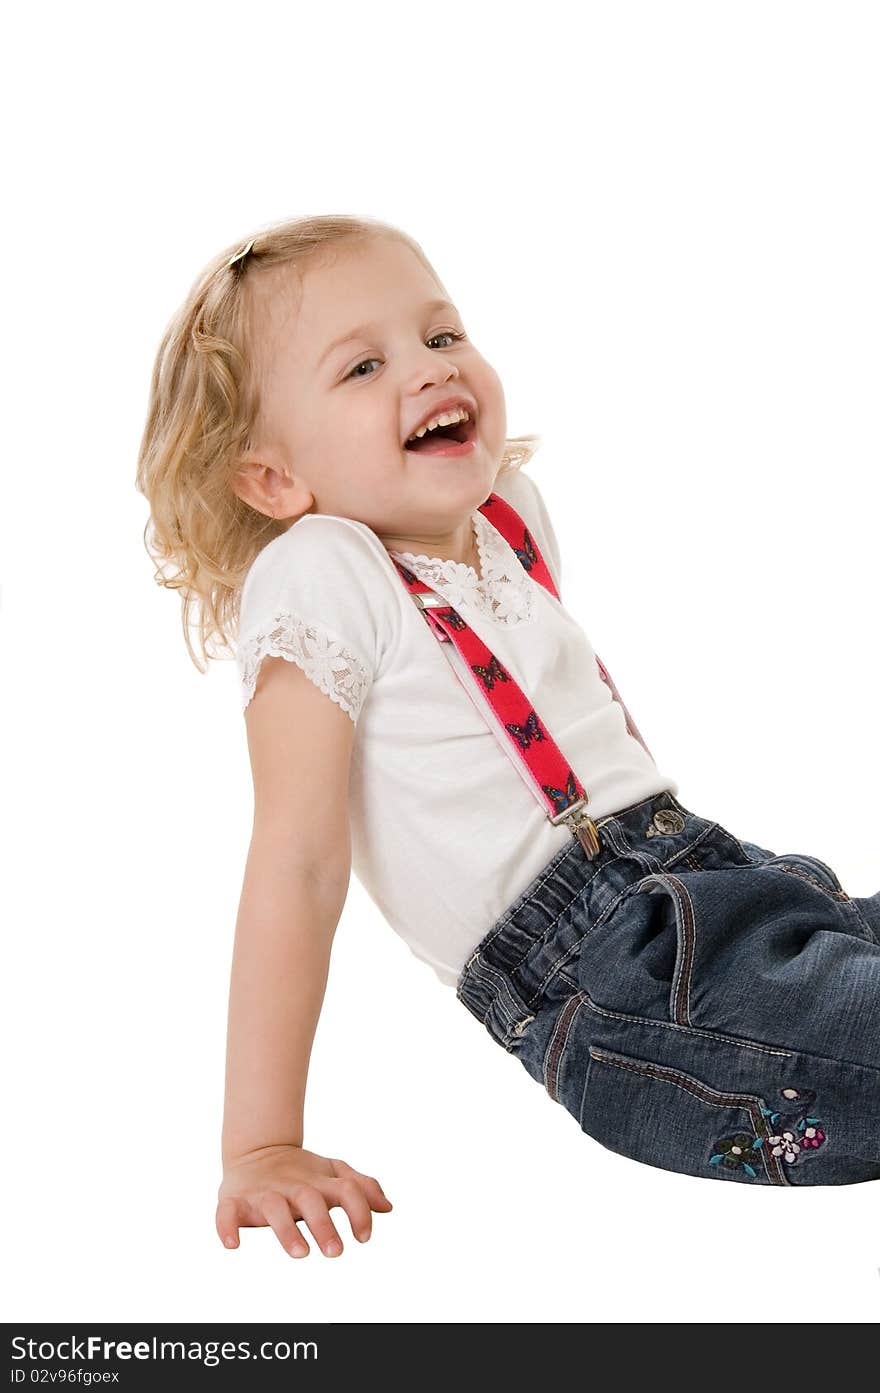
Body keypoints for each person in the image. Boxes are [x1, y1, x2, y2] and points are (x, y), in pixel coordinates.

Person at [135, 213, 880, 1260]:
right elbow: (297, 861)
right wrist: (260, 1142)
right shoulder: (322, 570)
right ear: (273, 480)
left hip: (714, 879)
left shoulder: (508, 518)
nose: (430, 371)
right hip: (613, 976)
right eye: (362, 365)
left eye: (441, 336)